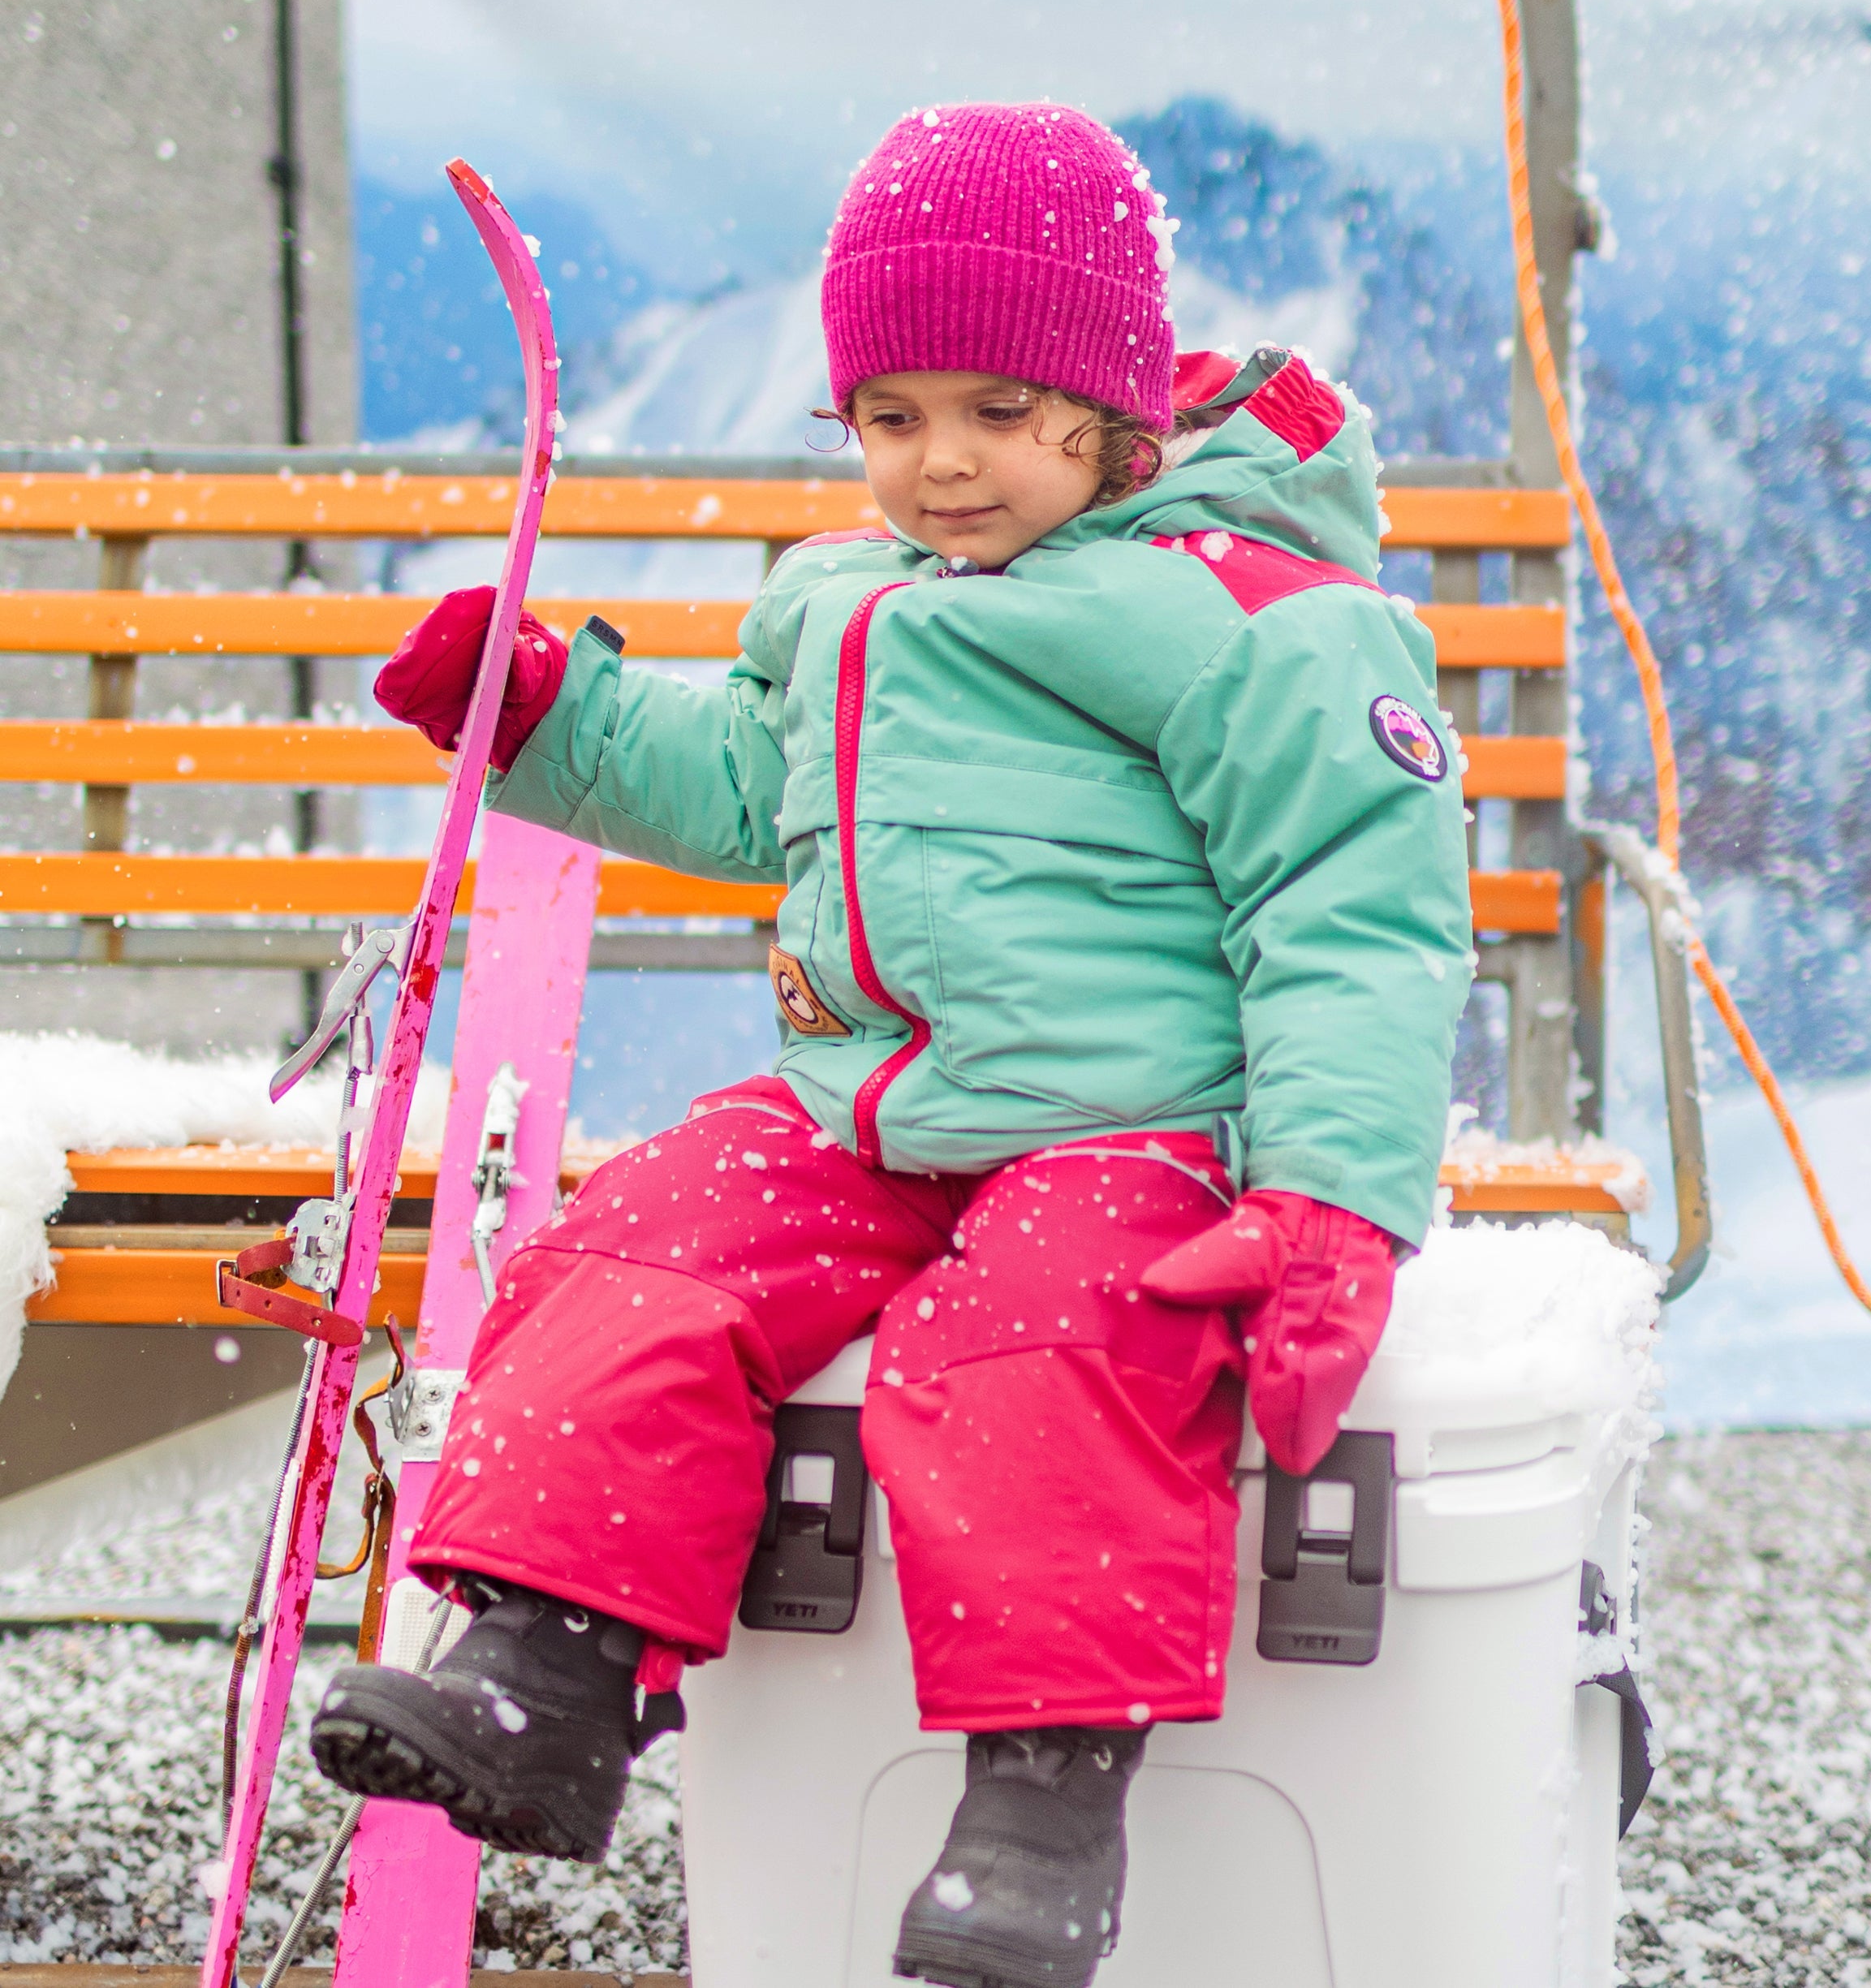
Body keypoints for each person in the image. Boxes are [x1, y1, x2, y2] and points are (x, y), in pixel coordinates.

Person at [310, 100, 1471, 1988]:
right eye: (892, 416)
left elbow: (1352, 898)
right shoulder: (842, 600)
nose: (940, 466)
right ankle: (544, 1663)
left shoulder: (1246, 618)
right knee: (636, 1249)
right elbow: (745, 783)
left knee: (1029, 1343)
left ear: (1107, 408)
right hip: (867, 1102)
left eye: (999, 415)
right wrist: (541, 715)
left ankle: (1040, 1797)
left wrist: (1333, 1192)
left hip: (1129, 1120)